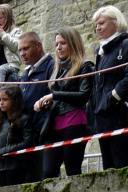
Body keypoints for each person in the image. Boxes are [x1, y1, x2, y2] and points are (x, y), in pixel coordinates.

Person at [89, 5, 128, 170]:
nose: (98, 28)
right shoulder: (101, 52)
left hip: (119, 113)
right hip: (102, 116)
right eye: (96, 25)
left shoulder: (127, 45)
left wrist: (113, 96)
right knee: (108, 166)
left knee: (122, 161)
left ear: (115, 22)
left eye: (102, 23)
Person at [35, 27, 94, 178]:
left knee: (72, 169)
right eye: (56, 44)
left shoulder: (85, 66)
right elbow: (56, 98)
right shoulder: (57, 70)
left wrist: (54, 96)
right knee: (48, 171)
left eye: (63, 43)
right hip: (54, 124)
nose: (59, 47)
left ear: (73, 44)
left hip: (74, 121)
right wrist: (44, 103)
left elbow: (84, 95)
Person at [0, 87, 38, 187]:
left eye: (5, 99)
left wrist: (4, 150)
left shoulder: (24, 119)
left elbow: (27, 142)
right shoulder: (0, 121)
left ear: (15, 100)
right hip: (0, 167)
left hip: (18, 167)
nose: (1, 103)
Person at [18, 32, 54, 143]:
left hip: (47, 132)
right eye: (20, 50)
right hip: (30, 134)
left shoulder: (52, 66)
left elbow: (56, 98)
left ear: (38, 46)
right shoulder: (26, 73)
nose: (22, 54)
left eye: (25, 48)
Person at [0, 4, 24, 76]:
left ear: (8, 18)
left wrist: (2, 34)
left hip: (11, 65)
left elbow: (15, 47)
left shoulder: (16, 31)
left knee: (1, 70)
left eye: (0, 18)